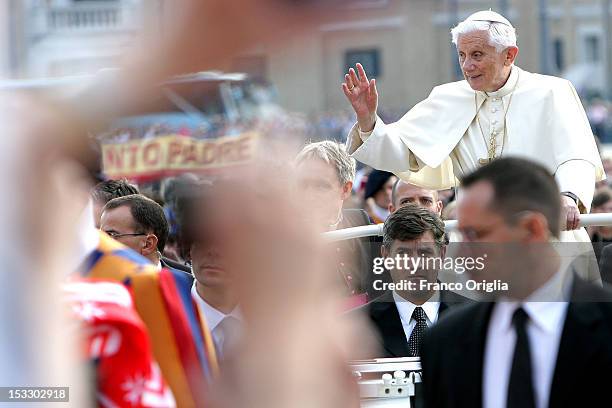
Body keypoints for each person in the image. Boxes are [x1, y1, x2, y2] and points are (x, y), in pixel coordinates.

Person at [342, 10, 604, 242]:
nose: (468, 66)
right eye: (462, 55)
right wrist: (368, 120)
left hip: (544, 231)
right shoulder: (447, 98)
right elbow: (403, 152)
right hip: (478, 239)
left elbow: (576, 156)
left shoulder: (551, 91)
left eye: (477, 54)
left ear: (509, 55)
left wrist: (569, 196)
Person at [420, 157, 612, 408]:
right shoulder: (444, 342)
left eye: (475, 235)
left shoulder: (606, 325)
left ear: (532, 229)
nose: (459, 253)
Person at [349, 204, 467, 358]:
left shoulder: (475, 319)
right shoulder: (355, 325)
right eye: (403, 253)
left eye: (424, 253)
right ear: (385, 255)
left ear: (442, 254)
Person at [294, 140, 376, 305]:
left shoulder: (361, 222)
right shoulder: (283, 237)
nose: (308, 196)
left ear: (345, 189)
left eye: (320, 186)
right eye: (302, 185)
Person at [100, 194, 171, 269]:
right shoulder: (92, 277)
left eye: (111, 234)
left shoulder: (179, 280)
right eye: (100, 234)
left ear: (148, 244)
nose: (100, 242)